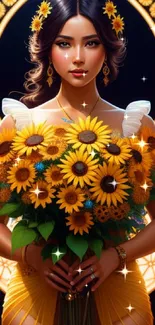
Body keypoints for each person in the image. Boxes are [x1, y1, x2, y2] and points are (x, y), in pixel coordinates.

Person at [0, 0, 155, 324]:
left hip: (116, 284)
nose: (78, 57)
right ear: (47, 49)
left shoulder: (137, 125)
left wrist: (115, 256)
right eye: (64, 43)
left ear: (107, 48)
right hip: (36, 284)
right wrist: (33, 257)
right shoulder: (18, 126)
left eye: (91, 43)